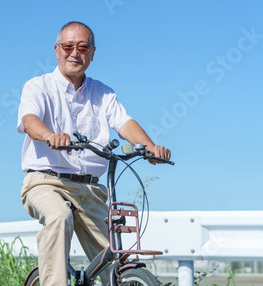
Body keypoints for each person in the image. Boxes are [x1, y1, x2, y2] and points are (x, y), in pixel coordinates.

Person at [17, 21, 171, 286]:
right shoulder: (38, 86)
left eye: (83, 47)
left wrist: (149, 147)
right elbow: (29, 121)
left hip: (90, 189)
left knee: (113, 259)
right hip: (46, 181)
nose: (74, 53)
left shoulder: (103, 93)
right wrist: (49, 135)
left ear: (92, 53)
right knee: (59, 216)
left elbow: (124, 123)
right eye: (68, 46)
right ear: (57, 50)